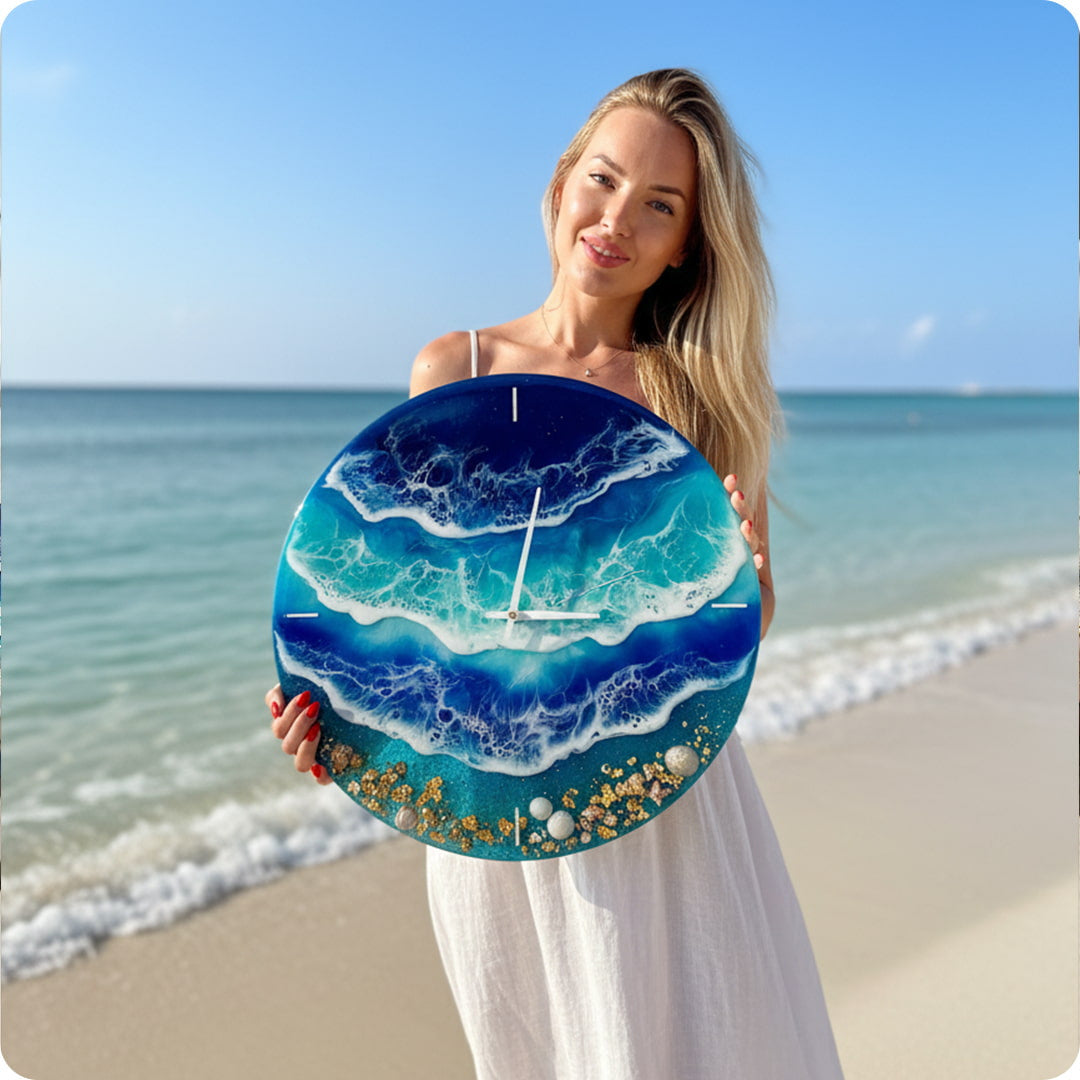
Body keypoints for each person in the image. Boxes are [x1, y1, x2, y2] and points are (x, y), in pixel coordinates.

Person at [267, 68, 845, 1080]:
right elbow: (398, 608)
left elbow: (742, 623)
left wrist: (744, 585)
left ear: (684, 246)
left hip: (649, 793)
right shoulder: (454, 369)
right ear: (561, 181)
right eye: (604, 178)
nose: (616, 218)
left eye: (659, 206)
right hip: (487, 815)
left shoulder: (692, 392)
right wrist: (338, 720)